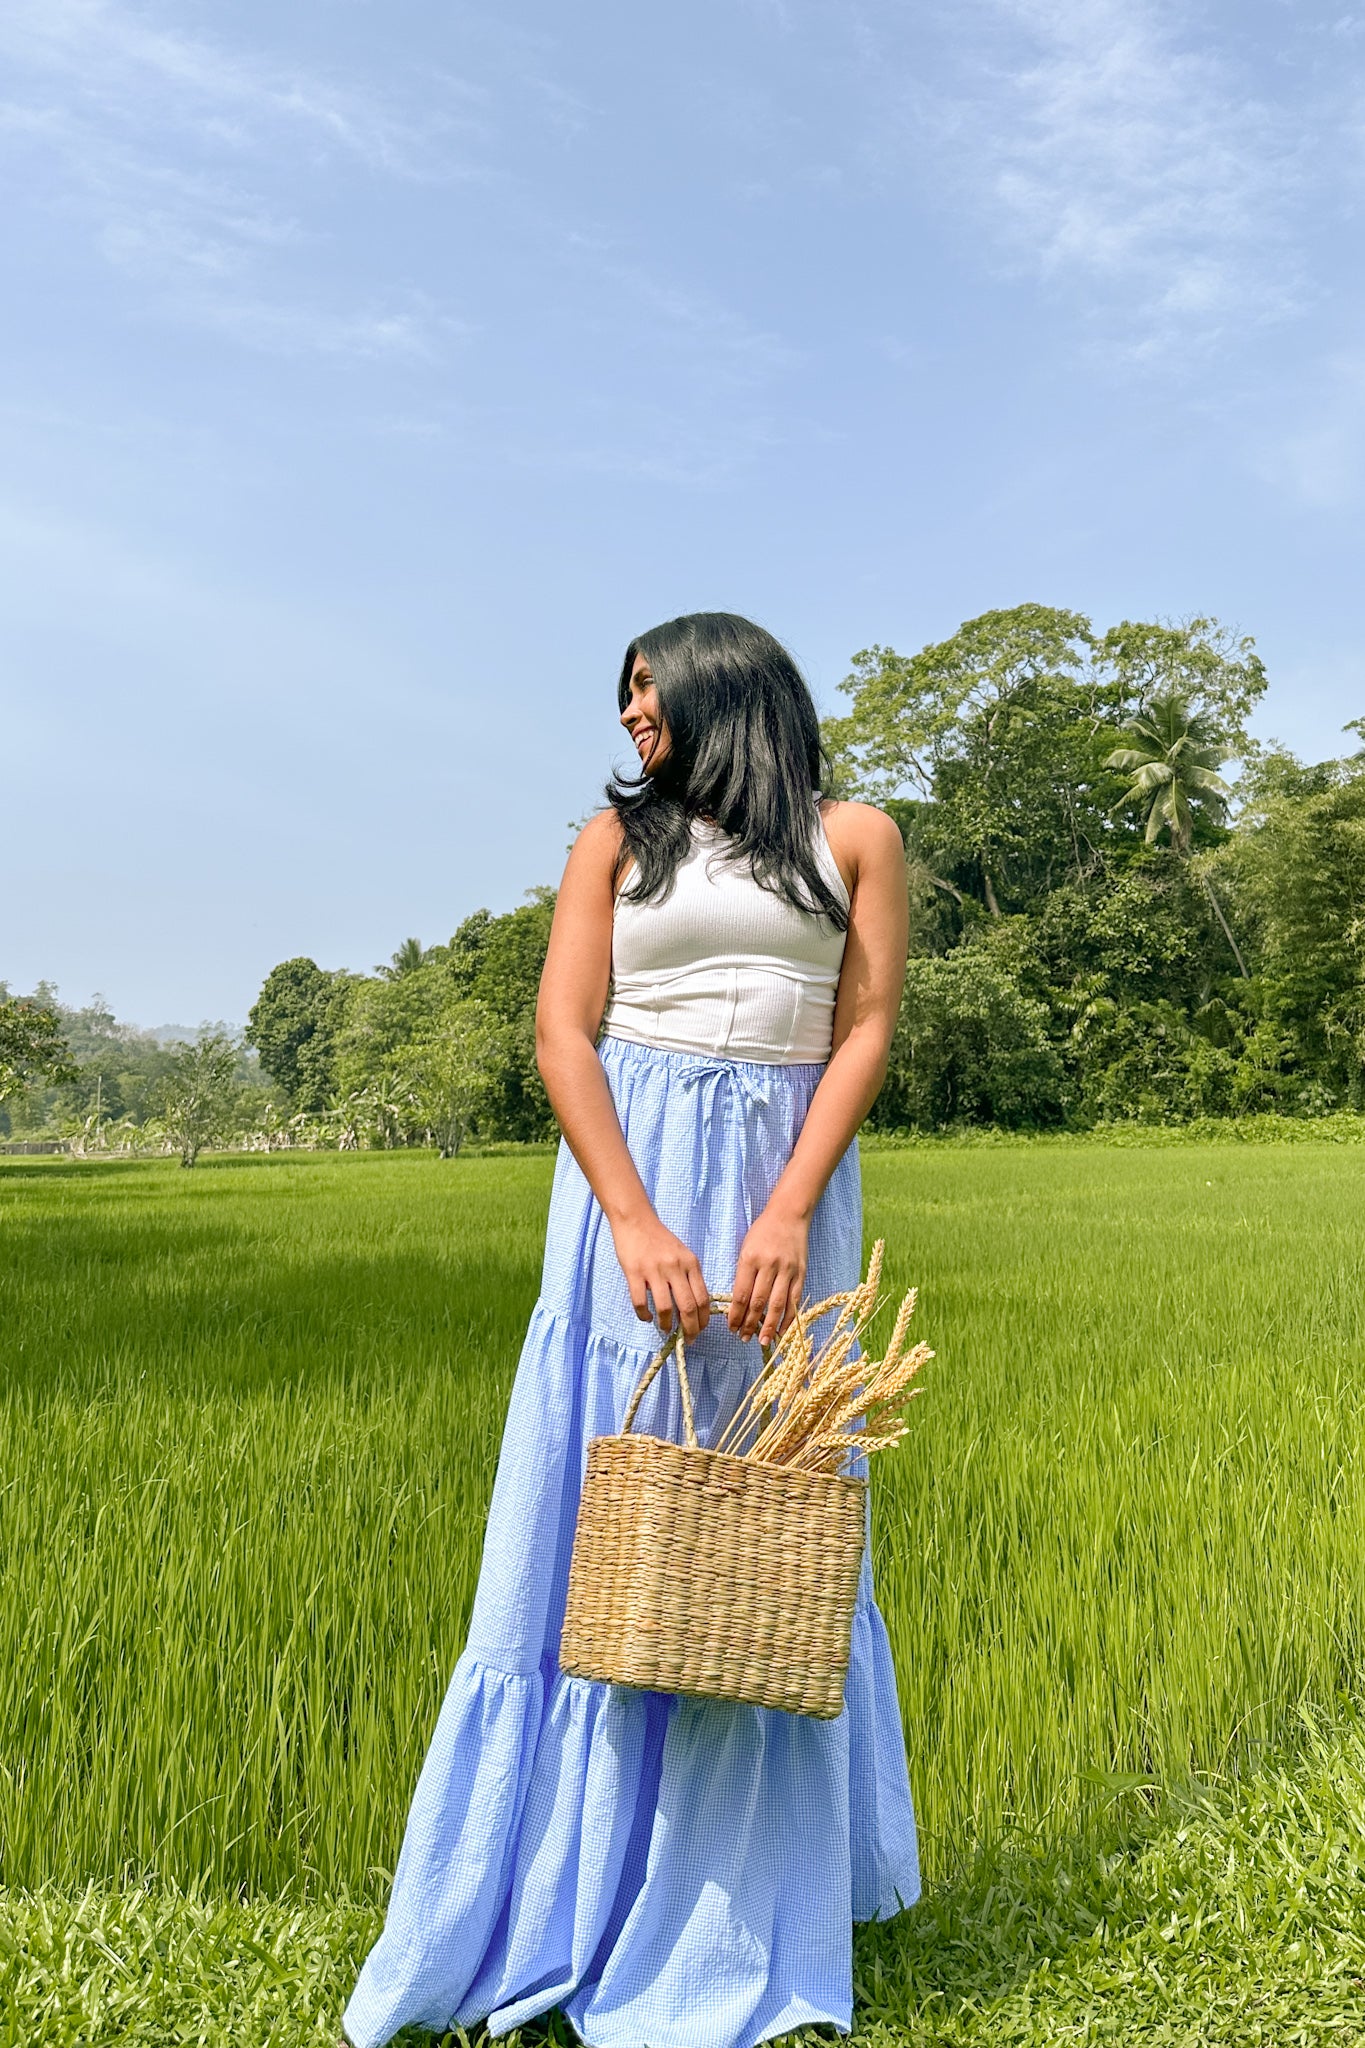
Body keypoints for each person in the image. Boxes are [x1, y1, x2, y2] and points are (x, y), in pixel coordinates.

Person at [343, 612, 920, 2048]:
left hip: (786, 1171)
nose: (629, 718)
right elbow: (562, 1030)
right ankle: (553, 1903)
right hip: (629, 1179)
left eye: (648, 691)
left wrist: (786, 1211)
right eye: (622, 697)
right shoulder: (614, 844)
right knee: (608, 1510)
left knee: (761, 1524)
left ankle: (732, 1921)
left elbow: (861, 1027)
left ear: (728, 691)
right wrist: (635, 1220)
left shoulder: (855, 837)